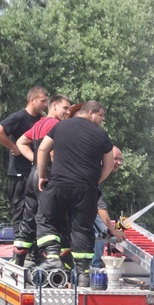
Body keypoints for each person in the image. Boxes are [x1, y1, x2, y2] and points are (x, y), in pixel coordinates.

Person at [35, 100, 115, 286]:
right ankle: (83, 274)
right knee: (82, 228)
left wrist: (42, 175)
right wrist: (96, 181)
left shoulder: (60, 126)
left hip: (59, 184)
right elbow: (109, 164)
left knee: (46, 218)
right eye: (101, 115)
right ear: (90, 113)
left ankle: (53, 256)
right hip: (85, 190)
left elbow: (43, 149)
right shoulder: (102, 135)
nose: (102, 120)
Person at [11, 95, 72, 267]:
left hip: (33, 175)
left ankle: (19, 259)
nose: (68, 112)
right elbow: (52, 151)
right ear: (54, 106)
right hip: (47, 175)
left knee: (29, 217)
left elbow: (21, 142)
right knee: (53, 217)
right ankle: (59, 259)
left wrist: (36, 161)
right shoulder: (56, 125)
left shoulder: (40, 123)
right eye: (65, 108)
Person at [0, 86, 49, 240]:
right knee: (21, 211)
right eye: (43, 101)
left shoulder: (43, 121)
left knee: (37, 212)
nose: (45, 104)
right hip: (19, 174)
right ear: (32, 100)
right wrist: (13, 146)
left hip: (36, 173)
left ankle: (35, 250)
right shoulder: (19, 117)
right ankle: (20, 248)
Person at [92, 146, 127, 269]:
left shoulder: (101, 172)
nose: (119, 163)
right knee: (102, 231)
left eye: (120, 159)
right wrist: (113, 230)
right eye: (116, 159)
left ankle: (96, 262)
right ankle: (92, 265)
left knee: (103, 231)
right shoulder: (95, 172)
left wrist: (110, 230)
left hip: (88, 208)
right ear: (105, 158)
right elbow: (100, 205)